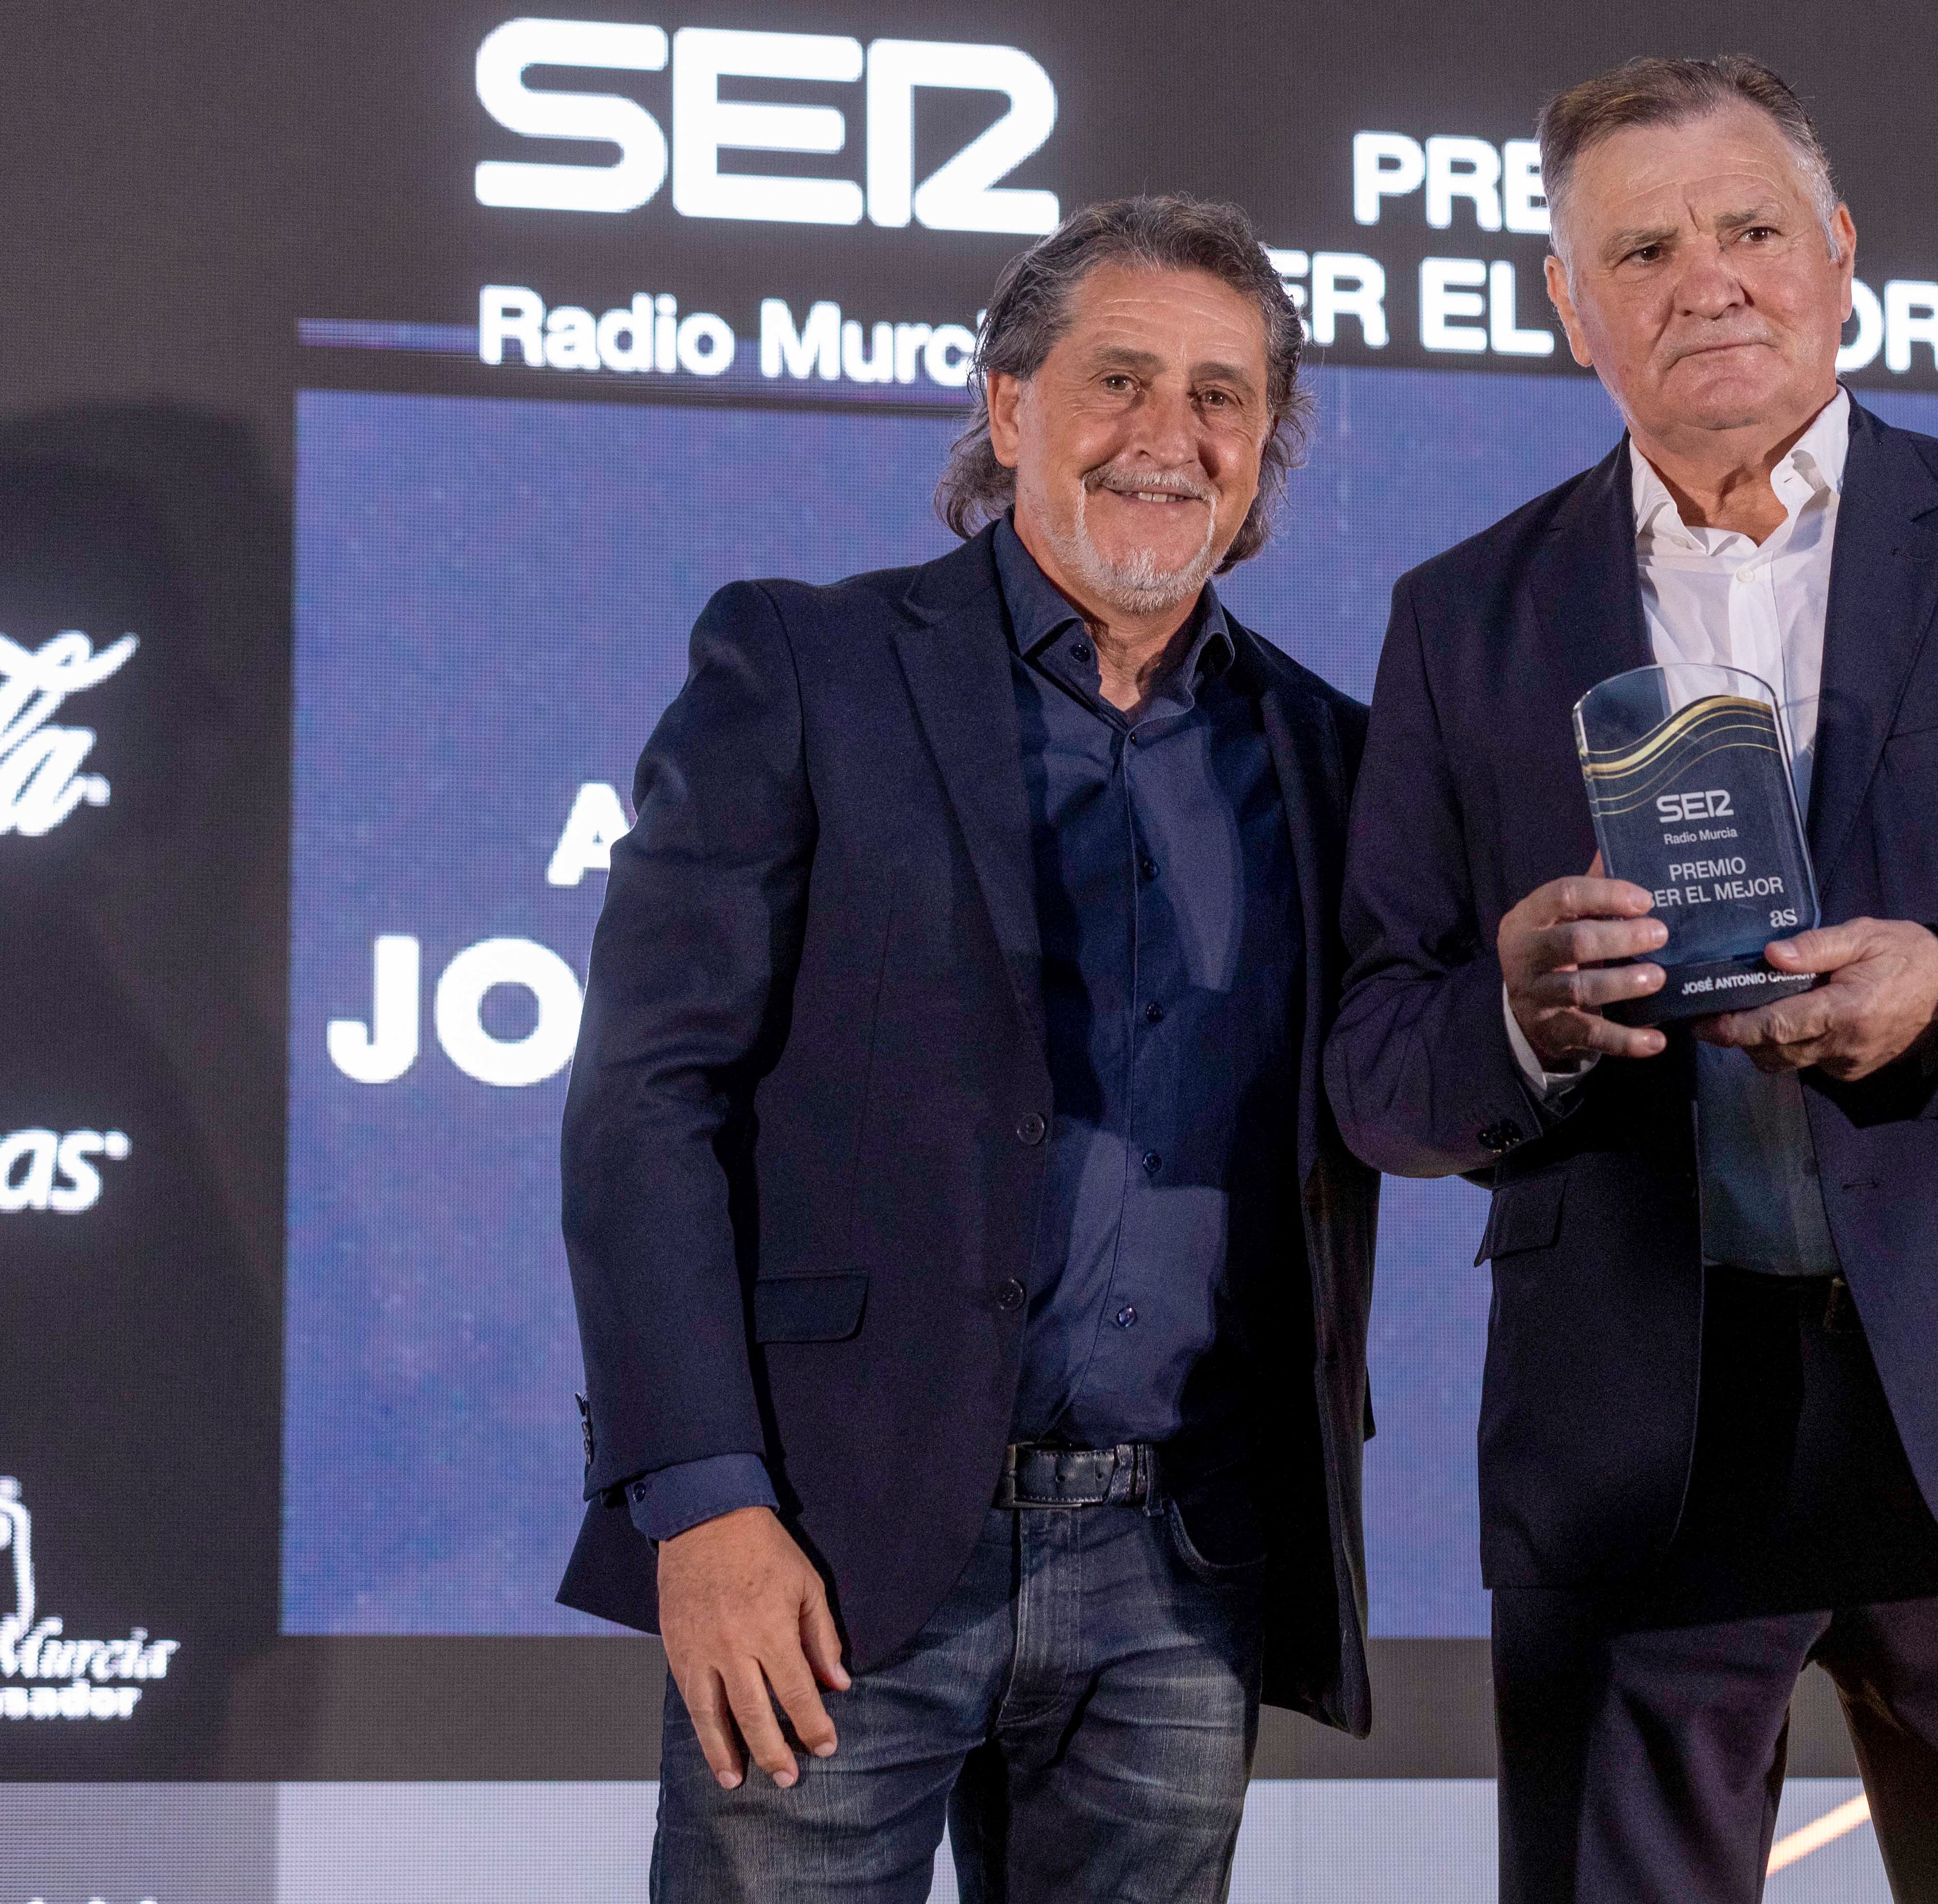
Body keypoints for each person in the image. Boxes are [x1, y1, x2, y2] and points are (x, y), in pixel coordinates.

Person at [1329, 56, 1938, 1904]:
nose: (1707, 280)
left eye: (1750, 228)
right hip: (1637, 1426)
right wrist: (1517, 1019)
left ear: (1840, 252)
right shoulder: (1464, 618)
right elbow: (1380, 1061)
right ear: (1570, 305)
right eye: (1643, 247)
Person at [557, 194, 1378, 1902]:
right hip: (832, 1555)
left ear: (1267, 451)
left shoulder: (1328, 751)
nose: (1172, 437)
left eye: (1225, 397)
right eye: (1120, 380)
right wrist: (701, 1503)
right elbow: (647, 1098)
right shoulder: (805, 666)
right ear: (1010, 410)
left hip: (1187, 1573)